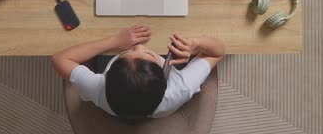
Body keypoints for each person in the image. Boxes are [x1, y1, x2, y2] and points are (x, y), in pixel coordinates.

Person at [52, 24, 225, 120]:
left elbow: (59, 59)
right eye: (148, 53)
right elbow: (218, 51)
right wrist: (195, 43)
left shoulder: (97, 88)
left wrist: (115, 41)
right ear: (164, 78)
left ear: (107, 78)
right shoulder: (181, 88)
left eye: (130, 52)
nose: (140, 46)